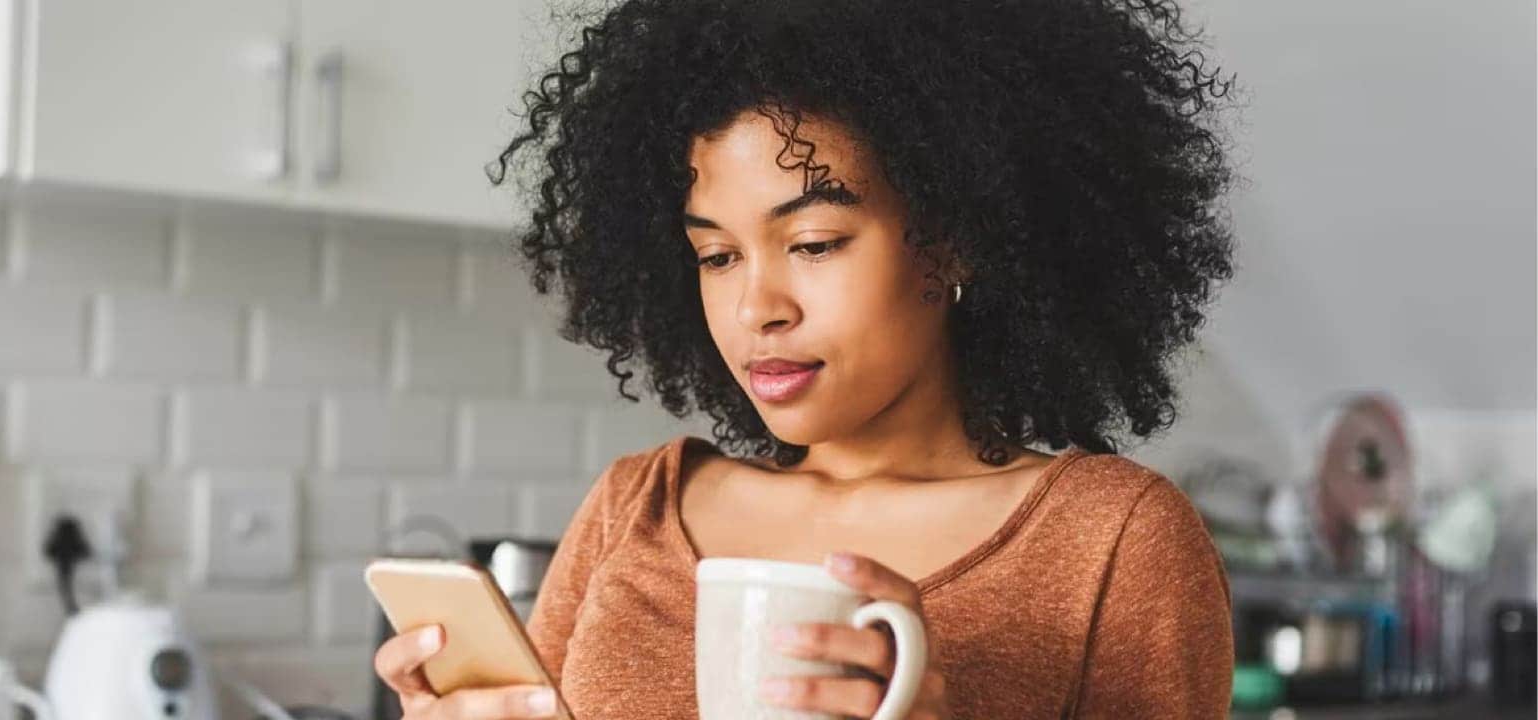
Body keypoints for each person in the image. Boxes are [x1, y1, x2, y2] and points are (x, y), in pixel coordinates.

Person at [376, 0, 1241, 717]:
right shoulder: (632, 508)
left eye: (816, 242)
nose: (758, 308)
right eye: (717, 257)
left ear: (955, 242)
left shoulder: (1115, 541)